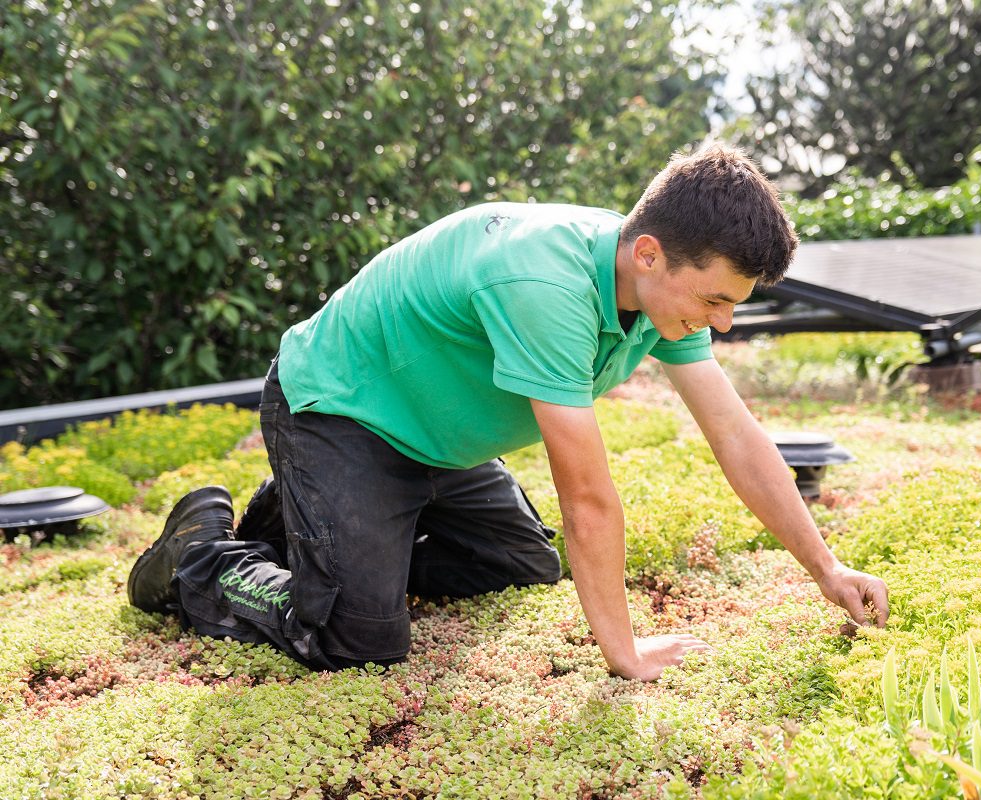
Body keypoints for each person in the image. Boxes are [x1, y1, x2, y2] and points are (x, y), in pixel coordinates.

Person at [127, 143, 889, 680]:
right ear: (649, 254)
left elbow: (736, 435)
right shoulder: (544, 284)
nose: (722, 323)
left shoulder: (665, 301)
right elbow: (588, 499)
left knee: (519, 567)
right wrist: (623, 653)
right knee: (356, 635)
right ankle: (197, 554)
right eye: (716, 300)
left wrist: (826, 567)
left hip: (436, 444)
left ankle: (313, 522)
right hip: (338, 410)